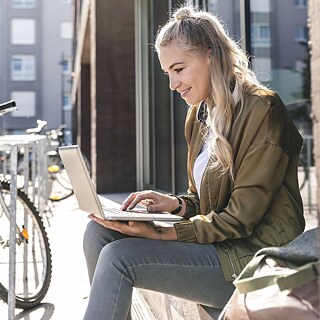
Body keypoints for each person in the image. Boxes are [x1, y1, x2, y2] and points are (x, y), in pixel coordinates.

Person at [83, 5, 305, 320]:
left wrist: (163, 235)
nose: (173, 84)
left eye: (179, 69)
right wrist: (173, 204)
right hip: (221, 248)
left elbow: (241, 218)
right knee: (98, 232)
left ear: (210, 55)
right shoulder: (200, 114)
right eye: (167, 73)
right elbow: (204, 203)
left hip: (254, 258)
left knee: (120, 257)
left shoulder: (262, 110)